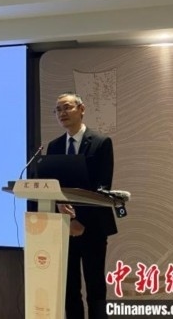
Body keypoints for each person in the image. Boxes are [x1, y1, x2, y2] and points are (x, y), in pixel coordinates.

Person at [49, 92, 117, 319]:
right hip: (63, 227)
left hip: (93, 227)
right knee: (70, 289)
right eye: (58, 110)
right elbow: (53, 187)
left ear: (82, 109)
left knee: (95, 287)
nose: (62, 113)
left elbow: (102, 188)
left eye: (67, 107)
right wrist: (63, 212)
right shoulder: (54, 146)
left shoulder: (101, 143)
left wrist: (79, 221)